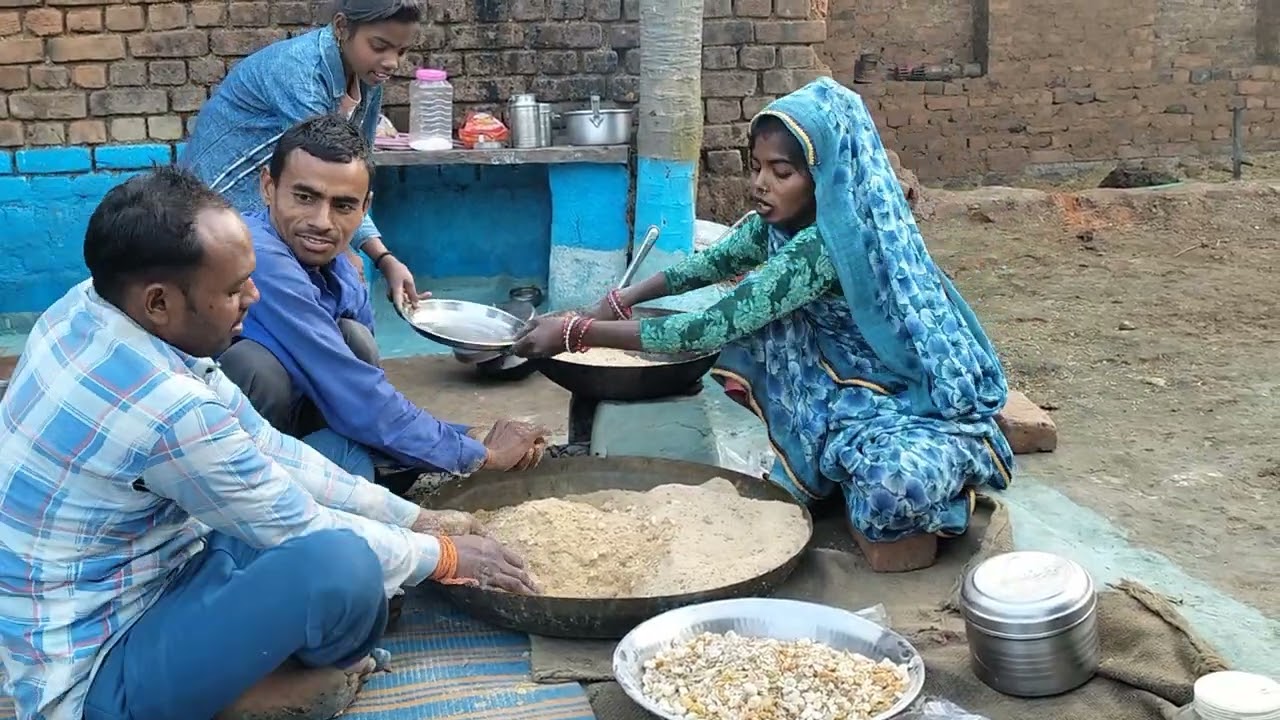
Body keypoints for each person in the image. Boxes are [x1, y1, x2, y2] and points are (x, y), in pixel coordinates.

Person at [0, 167, 536, 720]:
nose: (253, 297)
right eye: (233, 290)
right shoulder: (167, 407)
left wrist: (415, 520)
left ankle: (245, 676)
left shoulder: (91, 303)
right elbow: (300, 526)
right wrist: (443, 556)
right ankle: (248, 693)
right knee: (344, 570)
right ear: (158, 303)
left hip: (163, 568)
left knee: (340, 459)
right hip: (98, 669)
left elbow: (266, 448)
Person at [513, 78, 1016, 571]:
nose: (760, 184)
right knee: (767, 334)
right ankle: (829, 460)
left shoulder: (825, 245)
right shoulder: (777, 225)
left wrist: (575, 333)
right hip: (841, 392)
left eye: (781, 172)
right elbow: (704, 266)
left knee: (889, 494)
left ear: (825, 176)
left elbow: (709, 329)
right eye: (756, 167)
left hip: (906, 402)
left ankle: (954, 471)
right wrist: (621, 299)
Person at [217, 114, 547, 488]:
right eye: (304, 197)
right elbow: (354, 392)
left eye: (343, 206)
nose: (321, 221)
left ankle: (322, 468)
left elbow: (365, 389)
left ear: (364, 207)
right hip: (217, 445)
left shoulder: (340, 268)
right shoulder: (262, 259)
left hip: (299, 427)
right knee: (257, 367)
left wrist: (466, 435)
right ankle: (252, 489)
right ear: (268, 187)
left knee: (354, 337)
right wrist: (478, 451)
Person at [179, 0, 425, 308]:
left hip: (284, 201)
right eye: (379, 46)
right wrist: (346, 252)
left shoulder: (369, 76)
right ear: (341, 27)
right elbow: (324, 171)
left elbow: (356, 172)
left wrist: (384, 258)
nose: (392, 63)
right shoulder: (299, 72)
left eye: (401, 52)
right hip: (219, 206)